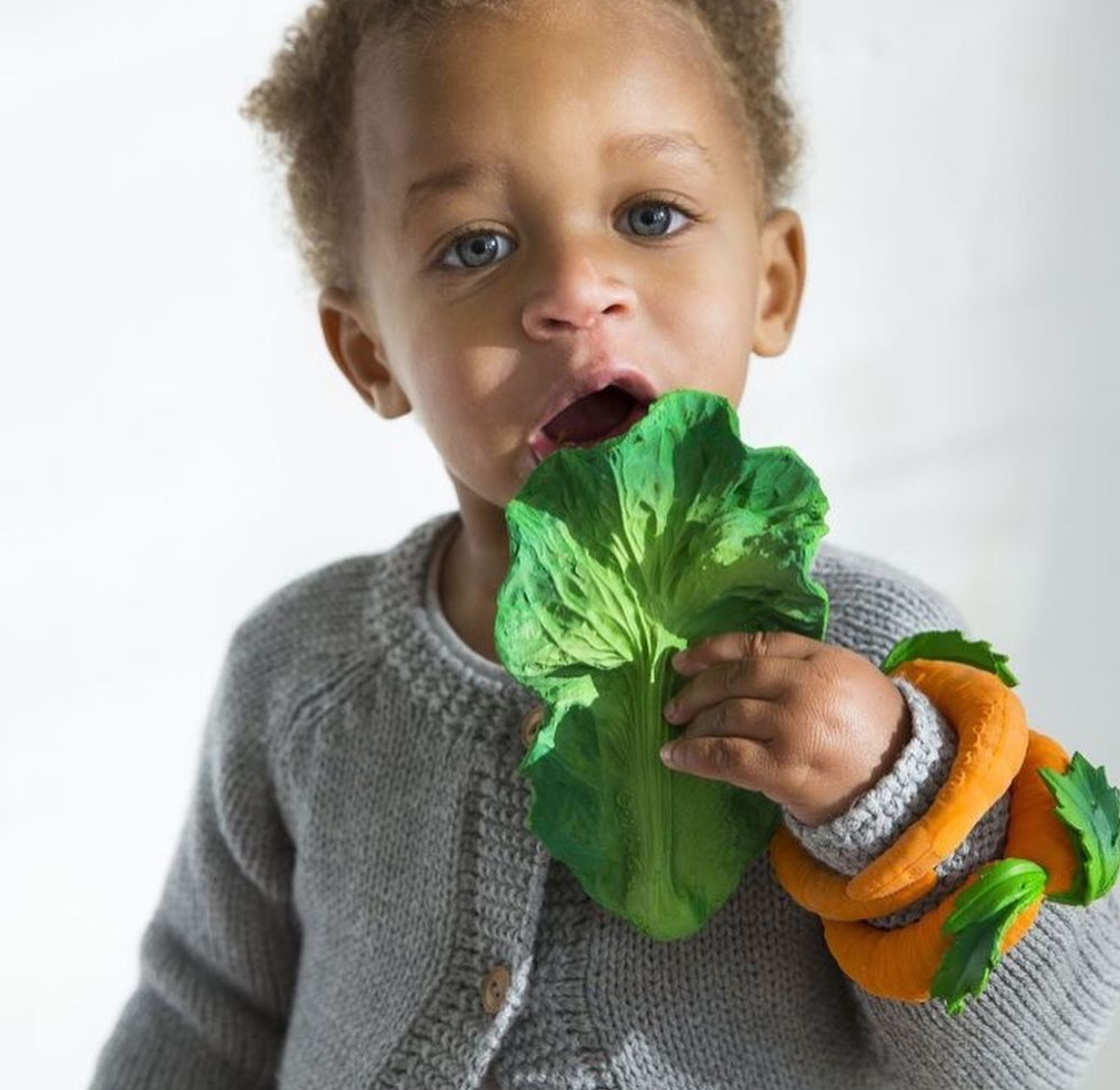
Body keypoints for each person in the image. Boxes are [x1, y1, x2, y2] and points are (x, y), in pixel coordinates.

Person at [87, 1, 1120, 1087]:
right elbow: (202, 1015)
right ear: (369, 352)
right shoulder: (300, 670)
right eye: (476, 245)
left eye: (652, 215)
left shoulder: (873, 655)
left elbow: (1025, 1057)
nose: (576, 292)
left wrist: (891, 797)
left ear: (769, 283)